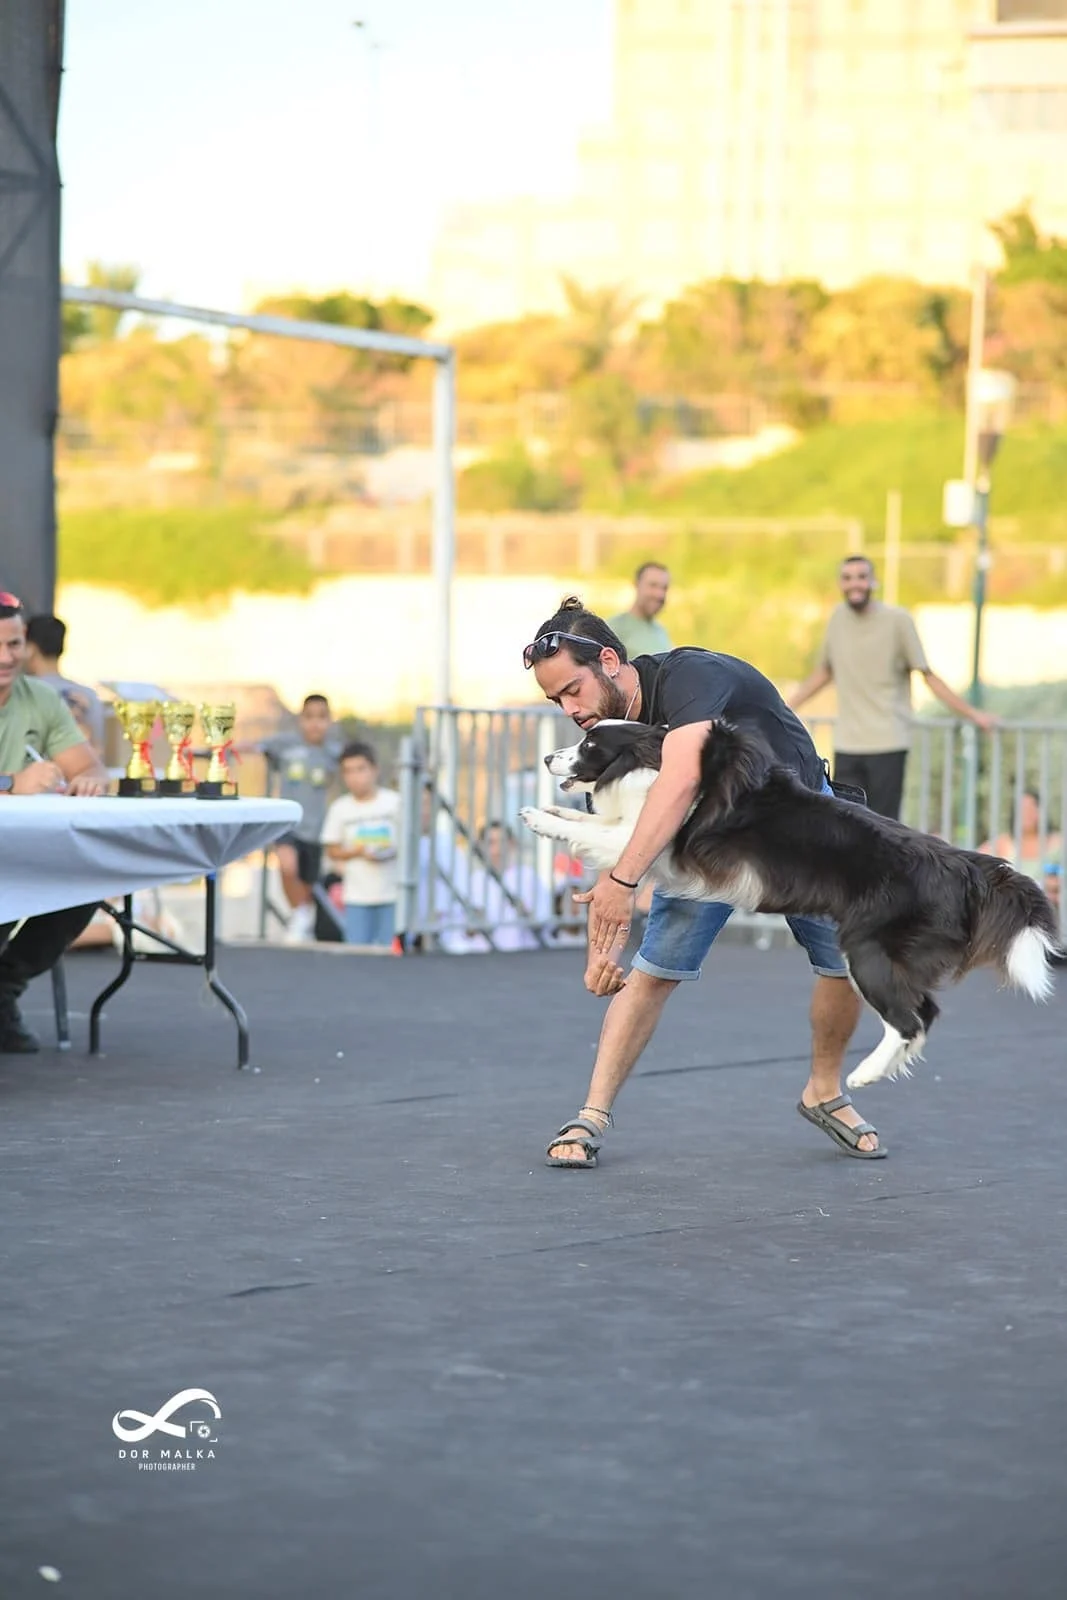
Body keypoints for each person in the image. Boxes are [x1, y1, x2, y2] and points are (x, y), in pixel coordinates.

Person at [524, 595, 883, 1167]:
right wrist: (604, 937)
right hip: (710, 838)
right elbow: (622, 829)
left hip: (800, 828)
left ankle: (823, 1089)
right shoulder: (612, 736)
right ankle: (591, 1113)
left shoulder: (694, 677)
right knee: (652, 973)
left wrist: (624, 880)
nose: (569, 708)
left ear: (611, 662)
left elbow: (683, 777)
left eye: (573, 690)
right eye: (555, 700)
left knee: (845, 964)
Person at [788, 554, 997, 819]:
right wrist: (785, 706)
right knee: (842, 823)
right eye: (847, 578)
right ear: (841, 583)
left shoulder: (898, 620)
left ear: (874, 582)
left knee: (883, 824)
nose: (855, 584)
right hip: (848, 743)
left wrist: (974, 715)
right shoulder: (837, 619)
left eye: (862, 577)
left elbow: (927, 674)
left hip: (887, 742)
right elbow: (825, 672)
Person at [0, 590, 110, 1052]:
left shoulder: (40, 697)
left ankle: (4, 989)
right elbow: (17, 783)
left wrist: (87, 780)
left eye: (15, 644)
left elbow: (89, 767)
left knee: (85, 882)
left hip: (22, 850)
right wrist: (11, 784)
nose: (8, 657)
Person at [259, 694, 343, 943]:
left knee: (308, 880)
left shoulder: (333, 751)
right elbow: (257, 747)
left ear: (329, 721)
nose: (315, 724)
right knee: (287, 866)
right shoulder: (285, 744)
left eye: (321, 718)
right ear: (300, 720)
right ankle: (300, 913)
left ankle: (302, 917)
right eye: (309, 717)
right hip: (289, 821)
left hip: (317, 826)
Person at [321, 741, 400, 948]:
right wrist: (357, 852)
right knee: (357, 956)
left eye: (360, 769)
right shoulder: (340, 808)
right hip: (356, 897)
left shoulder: (395, 803)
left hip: (392, 895)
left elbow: (407, 842)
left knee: (391, 957)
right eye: (348, 771)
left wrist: (388, 852)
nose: (355, 777)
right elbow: (331, 848)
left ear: (375, 770)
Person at [24, 612, 107, 753]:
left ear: (30, 649)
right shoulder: (89, 695)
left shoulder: (21, 693)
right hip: (82, 771)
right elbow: (98, 751)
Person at [980, 789, 1062, 912]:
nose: (1026, 814)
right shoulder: (1003, 843)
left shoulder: (1057, 843)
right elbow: (974, 866)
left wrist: (1055, 886)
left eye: (1031, 808)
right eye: (1022, 809)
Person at [608, 562, 672, 659]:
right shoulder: (614, 629)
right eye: (653, 585)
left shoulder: (660, 631)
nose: (660, 594)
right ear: (636, 585)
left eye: (664, 588)